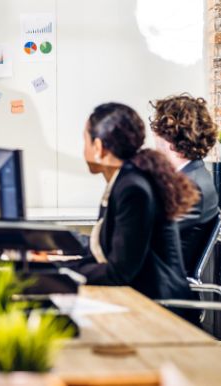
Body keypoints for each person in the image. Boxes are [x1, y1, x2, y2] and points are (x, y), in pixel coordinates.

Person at [73, 102, 199, 303]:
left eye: (85, 141)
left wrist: (60, 273)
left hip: (159, 307)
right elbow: (106, 250)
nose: (83, 150)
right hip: (141, 296)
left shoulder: (132, 189)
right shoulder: (124, 180)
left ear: (98, 148)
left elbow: (118, 272)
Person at [150, 94, 220, 277]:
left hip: (160, 290)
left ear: (170, 136)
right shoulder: (192, 176)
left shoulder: (191, 186)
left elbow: (151, 241)